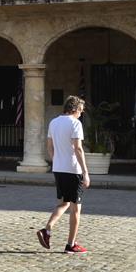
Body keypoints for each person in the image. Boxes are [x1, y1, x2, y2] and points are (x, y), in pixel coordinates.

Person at [36, 95, 91, 254]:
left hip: (59, 169)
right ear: (74, 108)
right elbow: (78, 148)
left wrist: (57, 161)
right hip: (73, 170)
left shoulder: (53, 122)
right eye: (80, 110)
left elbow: (49, 147)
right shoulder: (75, 123)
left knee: (64, 203)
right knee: (76, 209)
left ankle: (47, 230)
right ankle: (71, 244)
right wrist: (86, 172)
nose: (81, 113)